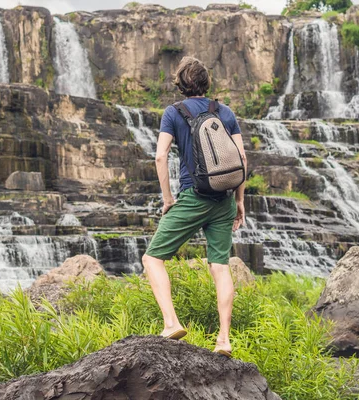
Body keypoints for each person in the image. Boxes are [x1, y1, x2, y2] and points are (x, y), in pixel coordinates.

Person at [141, 56, 247, 357]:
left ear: (181, 84)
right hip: (224, 199)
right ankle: (224, 340)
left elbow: (160, 157)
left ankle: (171, 323)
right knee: (220, 266)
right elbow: (242, 159)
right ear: (206, 83)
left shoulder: (173, 113)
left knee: (152, 259)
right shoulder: (224, 111)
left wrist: (167, 199)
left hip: (192, 197)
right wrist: (239, 201)